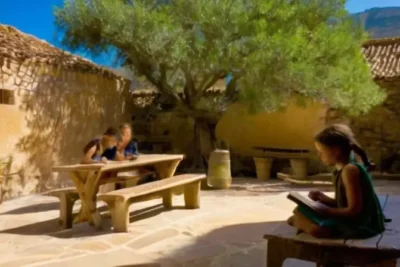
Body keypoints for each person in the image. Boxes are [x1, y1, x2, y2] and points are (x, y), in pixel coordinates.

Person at [287, 124, 385, 239]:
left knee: (315, 229)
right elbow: (346, 203)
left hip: (363, 224)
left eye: (321, 151)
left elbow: (354, 211)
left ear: (336, 150)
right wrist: (324, 199)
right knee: (298, 212)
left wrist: (326, 211)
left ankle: (303, 224)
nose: (319, 156)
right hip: (354, 219)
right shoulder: (340, 169)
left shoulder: (350, 170)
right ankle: (301, 222)